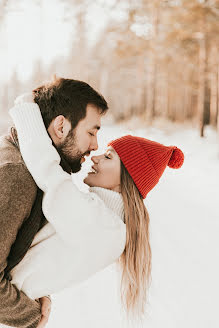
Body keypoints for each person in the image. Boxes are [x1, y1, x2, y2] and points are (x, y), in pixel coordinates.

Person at [9, 95, 184, 322]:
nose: (95, 157)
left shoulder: (103, 225)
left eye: (109, 157)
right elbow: (50, 259)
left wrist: (26, 111)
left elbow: (48, 173)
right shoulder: (106, 224)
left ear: (126, 179)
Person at [0, 77, 108, 328]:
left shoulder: (25, 162)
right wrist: (32, 316)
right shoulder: (17, 174)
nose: (95, 145)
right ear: (61, 126)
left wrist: (38, 293)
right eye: (91, 132)